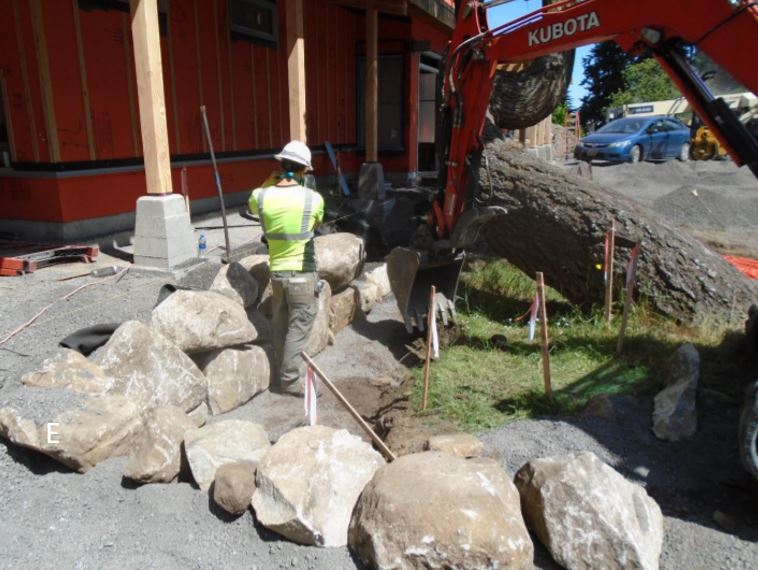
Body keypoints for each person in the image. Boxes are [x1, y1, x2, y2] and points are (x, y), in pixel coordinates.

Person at [249, 141, 324, 395]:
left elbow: (255, 201)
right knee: (298, 328)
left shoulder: (261, 196)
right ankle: (291, 380)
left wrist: (272, 180)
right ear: (305, 170)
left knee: (281, 324)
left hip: (278, 273)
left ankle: (282, 371)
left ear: (279, 166)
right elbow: (317, 221)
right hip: (302, 273)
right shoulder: (312, 199)